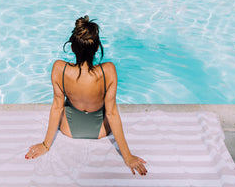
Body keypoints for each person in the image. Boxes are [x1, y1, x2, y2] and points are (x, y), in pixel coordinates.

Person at [24, 16, 147, 176]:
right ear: (97, 48)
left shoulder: (59, 69)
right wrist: (127, 156)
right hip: (101, 131)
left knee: (66, 103)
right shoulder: (108, 71)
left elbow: (57, 107)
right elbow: (111, 113)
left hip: (68, 129)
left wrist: (46, 145)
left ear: (73, 47)